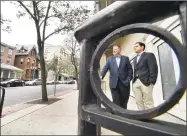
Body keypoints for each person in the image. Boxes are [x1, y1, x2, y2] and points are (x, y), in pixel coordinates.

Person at [101, 45, 133, 109]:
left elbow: (130, 70)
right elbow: (105, 69)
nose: (114, 50)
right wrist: (100, 77)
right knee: (115, 101)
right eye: (113, 49)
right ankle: (117, 116)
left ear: (119, 50)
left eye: (115, 49)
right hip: (113, 84)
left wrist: (128, 79)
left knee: (124, 101)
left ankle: (123, 115)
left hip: (124, 83)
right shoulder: (110, 59)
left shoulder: (125, 58)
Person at [133, 42, 158, 110]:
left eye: (136, 46)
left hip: (146, 82)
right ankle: (142, 119)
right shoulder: (135, 59)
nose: (134, 47)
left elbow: (153, 68)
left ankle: (149, 119)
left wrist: (151, 81)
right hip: (136, 82)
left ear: (142, 47)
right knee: (138, 102)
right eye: (134, 46)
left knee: (148, 103)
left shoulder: (149, 55)